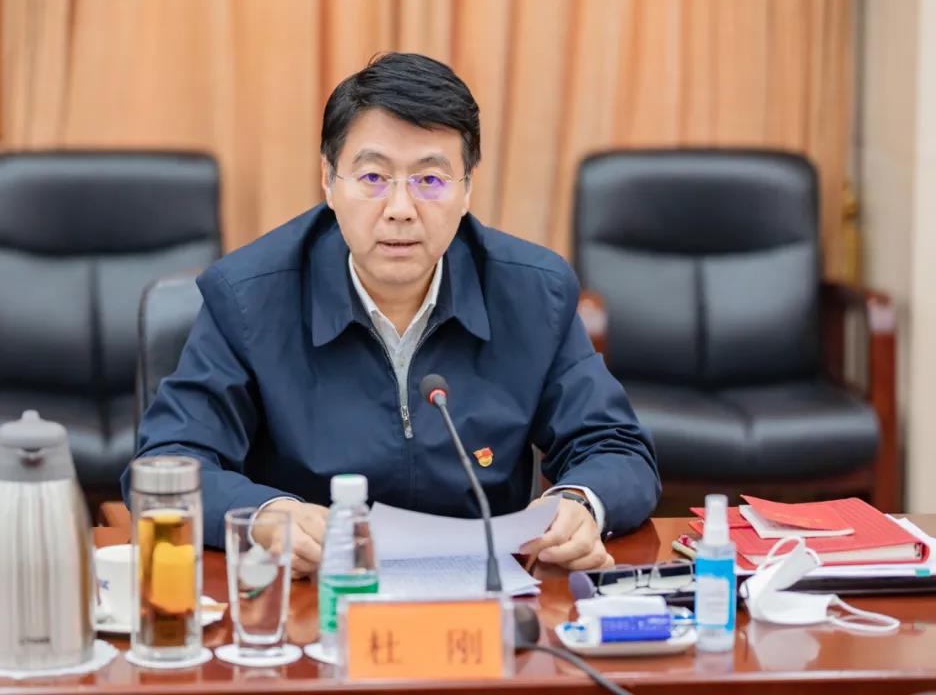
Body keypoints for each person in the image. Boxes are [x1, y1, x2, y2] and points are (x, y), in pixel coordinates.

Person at [125, 52, 659, 576]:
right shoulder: (248, 298)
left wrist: (580, 503)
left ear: (467, 189)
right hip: (315, 594)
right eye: (373, 177)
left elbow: (616, 447)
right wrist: (266, 516)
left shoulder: (533, 293)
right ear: (328, 181)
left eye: (430, 180)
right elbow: (166, 466)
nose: (400, 209)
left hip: (486, 596)